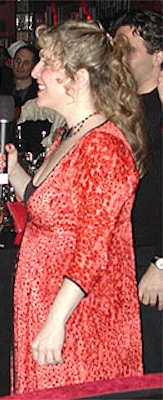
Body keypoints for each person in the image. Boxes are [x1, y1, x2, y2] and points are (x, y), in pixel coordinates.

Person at [0, 20, 146, 393]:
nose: (36, 71)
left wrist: (55, 321)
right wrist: (14, 172)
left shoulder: (103, 148)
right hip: (44, 295)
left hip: (80, 315)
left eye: (48, 63)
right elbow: (43, 207)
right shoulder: (68, 134)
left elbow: (92, 250)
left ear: (81, 78)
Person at [110, 9, 163, 374]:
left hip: (153, 252)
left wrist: (161, 262)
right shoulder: (121, 106)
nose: (120, 58)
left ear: (158, 56)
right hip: (123, 247)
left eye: (129, 50)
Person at [11, 45, 52, 157]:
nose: (20, 66)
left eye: (26, 62)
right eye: (18, 60)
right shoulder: (4, 90)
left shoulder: (41, 95)